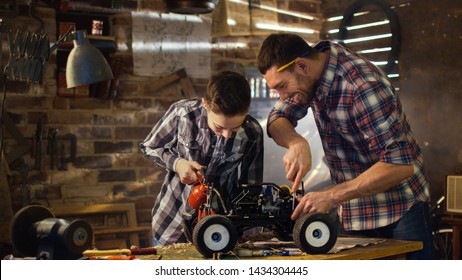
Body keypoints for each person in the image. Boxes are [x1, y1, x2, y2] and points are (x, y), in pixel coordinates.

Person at [257, 33, 433, 259]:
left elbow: (400, 165)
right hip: (353, 206)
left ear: (302, 66)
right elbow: (277, 119)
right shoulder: (306, 77)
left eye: (282, 86)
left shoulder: (362, 85)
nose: (282, 96)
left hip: (399, 206)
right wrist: (296, 142)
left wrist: (330, 196)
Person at [139, 71, 264, 246]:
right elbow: (149, 147)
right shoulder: (182, 113)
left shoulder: (253, 133)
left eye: (235, 128)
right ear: (205, 104)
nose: (227, 135)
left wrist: (248, 231)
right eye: (219, 127)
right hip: (172, 223)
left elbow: (251, 187)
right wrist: (178, 164)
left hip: (220, 229)